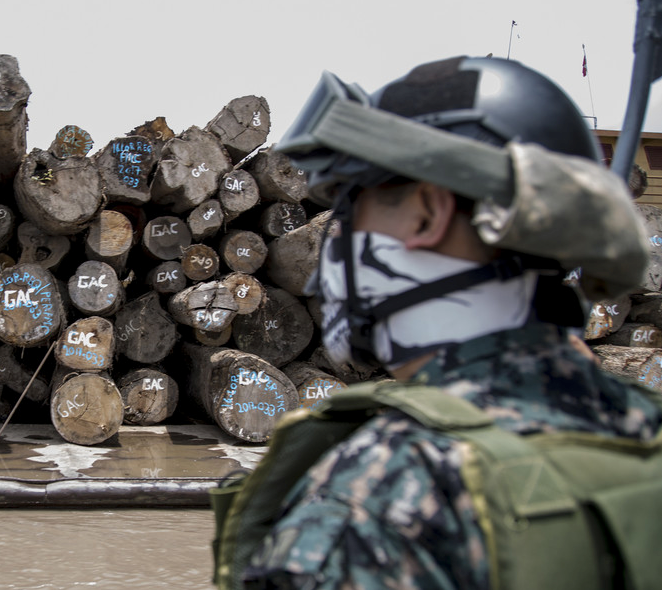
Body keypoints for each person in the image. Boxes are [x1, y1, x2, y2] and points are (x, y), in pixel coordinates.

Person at [231, 56, 662, 589]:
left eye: (351, 207)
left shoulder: (386, 491)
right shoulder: (642, 430)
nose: (335, 241)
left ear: (427, 213)